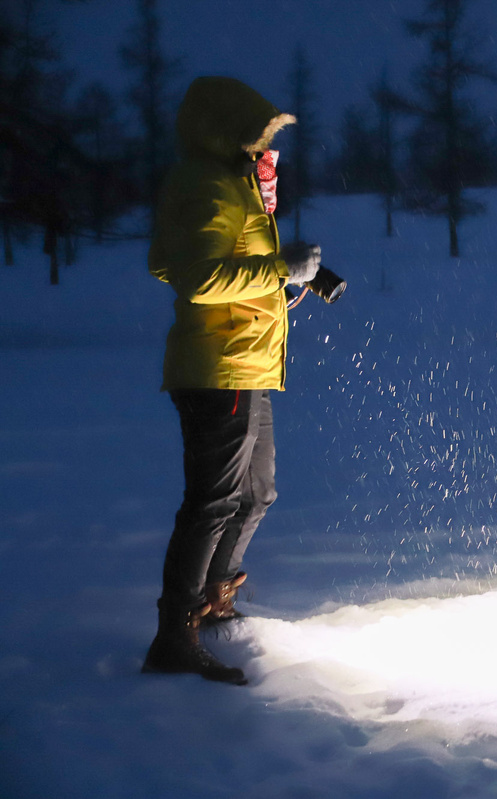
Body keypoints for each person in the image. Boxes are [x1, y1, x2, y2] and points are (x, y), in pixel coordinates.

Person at [142, 76, 323, 684]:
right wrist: (278, 268)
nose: (263, 146)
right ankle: (175, 635)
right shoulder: (207, 185)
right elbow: (194, 276)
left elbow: (220, 262)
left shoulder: (237, 184)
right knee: (213, 501)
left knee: (256, 493)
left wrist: (290, 278)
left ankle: (217, 602)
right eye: (256, 134)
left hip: (247, 362)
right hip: (220, 367)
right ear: (225, 131)